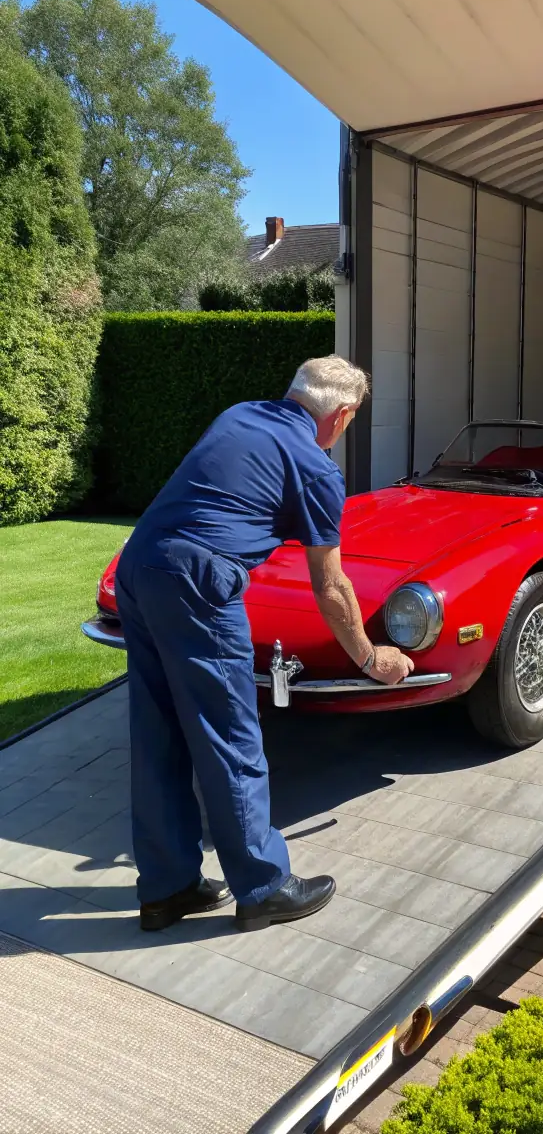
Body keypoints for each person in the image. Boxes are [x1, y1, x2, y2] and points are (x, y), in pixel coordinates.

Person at [115, 355, 414, 934]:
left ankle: (167, 887)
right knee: (229, 736)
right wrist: (370, 656)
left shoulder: (240, 415)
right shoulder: (316, 466)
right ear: (343, 415)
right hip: (199, 582)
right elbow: (331, 587)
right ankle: (264, 887)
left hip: (138, 565)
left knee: (157, 731)